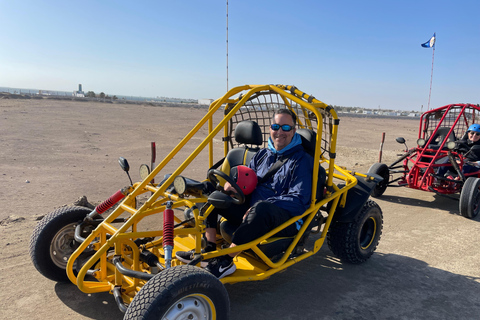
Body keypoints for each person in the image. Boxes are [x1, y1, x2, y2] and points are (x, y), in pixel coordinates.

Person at [176, 108, 314, 278]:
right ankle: (209, 250)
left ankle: (225, 262)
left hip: (284, 218)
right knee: (213, 194)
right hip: (253, 210)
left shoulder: (302, 161)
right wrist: (232, 187)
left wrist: (263, 205)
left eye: (286, 128)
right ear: (270, 128)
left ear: (293, 131)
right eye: (276, 126)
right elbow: (249, 180)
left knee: (261, 209)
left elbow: (299, 199)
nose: (280, 132)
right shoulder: (263, 154)